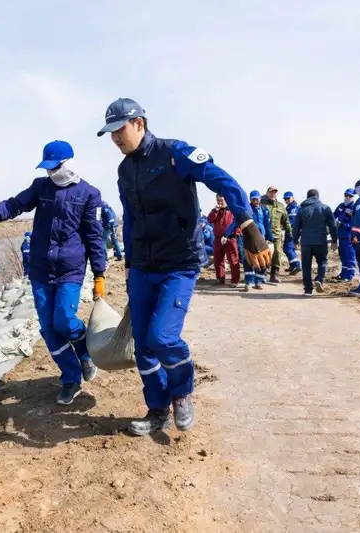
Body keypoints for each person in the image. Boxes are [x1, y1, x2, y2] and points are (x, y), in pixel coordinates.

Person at [97, 97, 271, 435]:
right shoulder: (124, 170)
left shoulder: (176, 153)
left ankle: (182, 392)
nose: (116, 139)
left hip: (179, 262)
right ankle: (157, 408)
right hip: (144, 265)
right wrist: (130, 263)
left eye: (120, 130)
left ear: (139, 124)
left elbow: (222, 180)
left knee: (163, 336)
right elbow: (130, 219)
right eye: (111, 134)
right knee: (143, 345)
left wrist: (248, 225)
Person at [0, 140, 107, 405]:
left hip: (70, 270)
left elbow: (94, 237)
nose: (51, 173)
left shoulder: (89, 194)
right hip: (40, 268)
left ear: (68, 163)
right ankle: (71, 378)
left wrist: (99, 275)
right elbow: (13, 205)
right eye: (47, 168)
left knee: (64, 321)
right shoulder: (41, 187)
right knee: (48, 329)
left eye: (55, 167)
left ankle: (84, 353)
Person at [292, 189, 338, 296]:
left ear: (307, 197)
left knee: (306, 266)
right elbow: (333, 225)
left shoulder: (301, 209)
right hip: (320, 241)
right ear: (317, 196)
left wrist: (295, 240)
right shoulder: (325, 208)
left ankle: (308, 290)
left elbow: (296, 227)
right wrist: (335, 240)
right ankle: (319, 279)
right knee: (322, 262)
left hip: (306, 243)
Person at [242, 190, 273, 291]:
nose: (255, 201)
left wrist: (270, 237)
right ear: (250, 200)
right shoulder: (247, 210)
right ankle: (248, 282)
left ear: (260, 198)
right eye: (253, 199)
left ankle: (258, 282)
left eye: (257, 199)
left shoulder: (264, 210)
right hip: (249, 238)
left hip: (261, 238)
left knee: (263, 259)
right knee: (248, 260)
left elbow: (267, 225)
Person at [207, 194, 241, 286]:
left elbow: (237, 223)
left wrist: (236, 234)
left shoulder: (232, 210)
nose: (220, 202)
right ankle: (220, 279)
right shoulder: (215, 211)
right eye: (218, 200)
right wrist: (215, 211)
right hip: (218, 239)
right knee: (218, 260)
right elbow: (209, 220)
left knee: (233, 260)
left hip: (230, 239)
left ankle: (234, 280)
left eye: (221, 200)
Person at [260, 186, 291, 283]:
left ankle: (274, 275)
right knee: (263, 254)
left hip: (276, 235)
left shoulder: (281, 206)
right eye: (271, 192)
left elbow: (286, 221)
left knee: (277, 253)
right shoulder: (261, 204)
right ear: (267, 193)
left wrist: (290, 232)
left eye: (275, 192)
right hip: (263, 234)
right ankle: (262, 274)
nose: (273, 194)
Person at [333, 189, 357, 282]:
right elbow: (333, 216)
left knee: (350, 256)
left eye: (350, 196)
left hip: (349, 236)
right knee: (343, 256)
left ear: (353, 197)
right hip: (340, 236)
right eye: (346, 195)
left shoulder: (355, 207)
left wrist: (343, 225)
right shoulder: (341, 206)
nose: (347, 197)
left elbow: (355, 223)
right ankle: (343, 274)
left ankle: (349, 276)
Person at [282, 191, 302, 274]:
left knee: (287, 248)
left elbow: (292, 221)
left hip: (292, 230)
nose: (286, 200)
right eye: (285, 199)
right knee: (291, 248)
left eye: (288, 198)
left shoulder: (293, 207)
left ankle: (297, 264)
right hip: (291, 230)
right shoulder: (289, 207)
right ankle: (292, 265)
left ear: (292, 197)